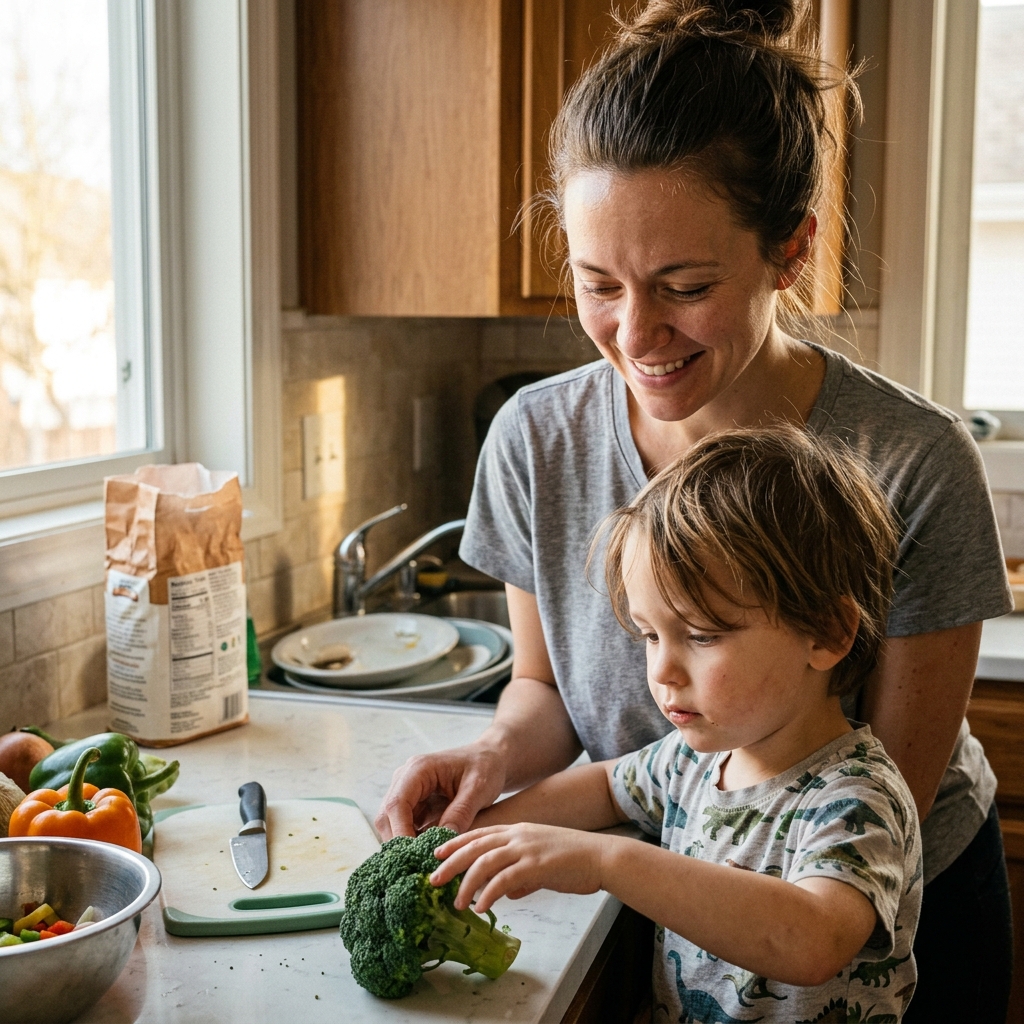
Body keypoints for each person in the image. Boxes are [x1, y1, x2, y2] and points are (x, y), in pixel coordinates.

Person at [377, 2, 1014, 1018]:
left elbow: (868, 809)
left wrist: (608, 860)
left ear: (790, 249)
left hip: (884, 918)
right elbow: (544, 689)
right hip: (668, 885)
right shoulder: (534, 441)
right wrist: (490, 765)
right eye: (597, 285)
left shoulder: (911, 462)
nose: (636, 333)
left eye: (684, 285)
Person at [431, 426, 922, 1023]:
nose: (662, 670)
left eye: (703, 635)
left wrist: (603, 862)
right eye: (649, 634)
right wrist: (469, 838)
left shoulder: (856, 797)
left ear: (826, 633)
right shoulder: (693, 759)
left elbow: (811, 939)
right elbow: (604, 786)